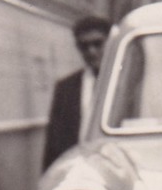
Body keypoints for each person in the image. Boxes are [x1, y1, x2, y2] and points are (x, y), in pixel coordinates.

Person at [43, 15, 112, 169]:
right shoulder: (65, 88)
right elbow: (53, 144)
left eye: (97, 44)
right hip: (79, 170)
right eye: (84, 46)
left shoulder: (127, 83)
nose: (91, 51)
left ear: (110, 42)